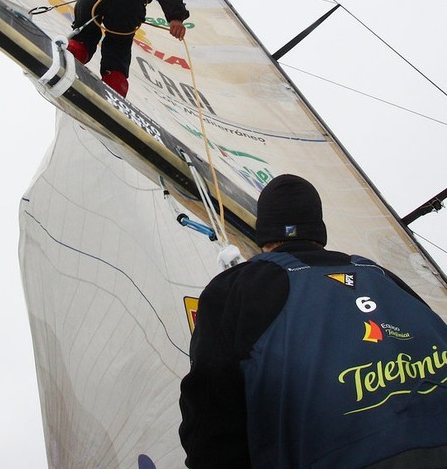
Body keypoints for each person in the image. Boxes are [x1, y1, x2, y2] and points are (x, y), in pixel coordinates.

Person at [179, 174, 447, 468]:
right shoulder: (381, 276)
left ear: (264, 235)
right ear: (319, 231)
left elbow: (211, 421)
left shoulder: (235, 289)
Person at [67, 0, 189, 97]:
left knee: (83, 34)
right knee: (118, 47)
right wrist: (175, 17)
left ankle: (67, 59)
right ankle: (113, 92)